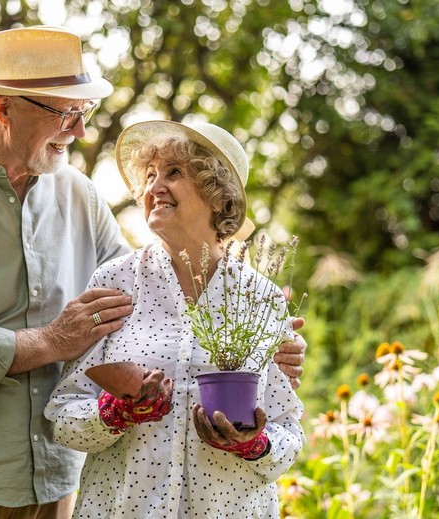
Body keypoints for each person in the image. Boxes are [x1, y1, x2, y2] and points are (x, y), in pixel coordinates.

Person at [0, 25, 306, 519]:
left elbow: (156, 298)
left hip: (54, 482)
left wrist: (277, 344)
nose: (80, 131)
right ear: (4, 108)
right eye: (67, 113)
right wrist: (50, 343)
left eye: (85, 114)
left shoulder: (80, 195)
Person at [45, 120, 305, 519]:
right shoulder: (114, 283)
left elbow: (288, 432)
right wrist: (116, 412)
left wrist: (253, 444)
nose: (154, 188)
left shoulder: (261, 299)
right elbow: (64, 415)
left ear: (218, 194)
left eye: (174, 173)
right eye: (149, 176)